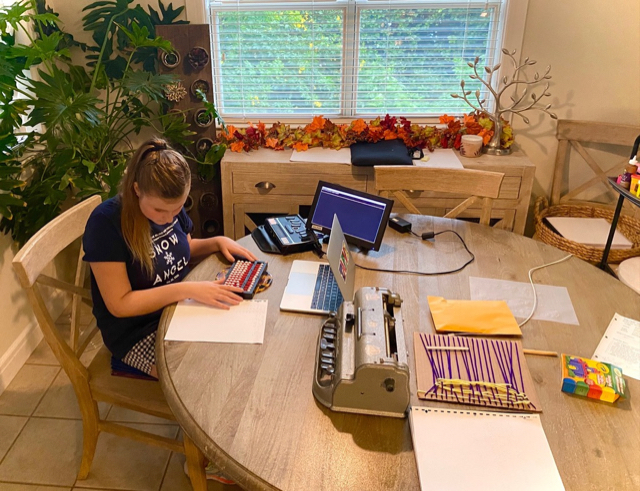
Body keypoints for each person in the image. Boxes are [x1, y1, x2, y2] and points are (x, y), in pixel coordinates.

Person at [83, 138, 255, 484]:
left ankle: (229, 442)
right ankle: (210, 456)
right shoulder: (106, 224)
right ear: (135, 190)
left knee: (240, 353)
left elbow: (180, 247)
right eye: (161, 211)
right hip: (136, 331)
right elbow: (120, 304)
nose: (169, 218)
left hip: (178, 309)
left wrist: (215, 242)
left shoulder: (168, 206)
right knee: (205, 379)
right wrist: (188, 289)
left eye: (177, 210)